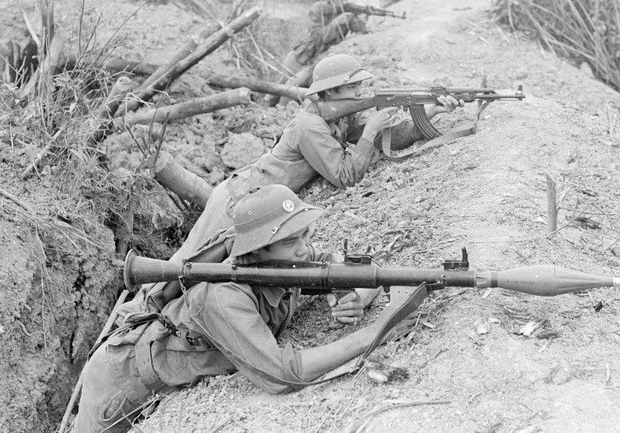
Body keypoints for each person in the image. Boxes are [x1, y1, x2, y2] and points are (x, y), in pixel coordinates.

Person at [72, 185, 420, 432]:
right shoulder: (223, 298)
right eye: (290, 241)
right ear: (258, 250)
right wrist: (374, 334)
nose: (304, 249)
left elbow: (342, 270)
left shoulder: (284, 259)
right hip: (119, 381)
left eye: (305, 234)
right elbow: (283, 374)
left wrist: (354, 295)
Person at [164, 53, 459, 278]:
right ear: (329, 93)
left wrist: (430, 112)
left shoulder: (340, 115)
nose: (360, 93)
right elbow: (345, 176)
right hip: (236, 200)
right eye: (352, 87)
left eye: (360, 86)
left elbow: (390, 138)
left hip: (258, 202)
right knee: (187, 264)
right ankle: (139, 304)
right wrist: (370, 133)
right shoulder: (309, 125)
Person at [283, 0, 369, 75]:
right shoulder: (317, 9)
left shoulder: (347, 11)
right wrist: (336, 22)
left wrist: (362, 21)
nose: (344, 1)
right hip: (299, 61)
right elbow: (317, 37)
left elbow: (363, 33)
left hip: (319, 63)